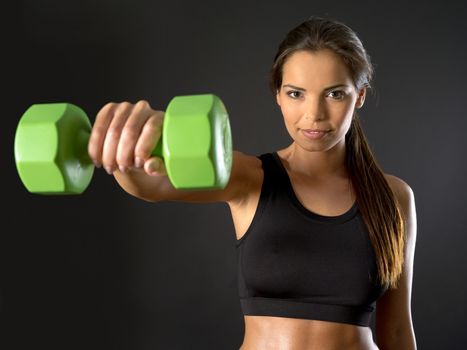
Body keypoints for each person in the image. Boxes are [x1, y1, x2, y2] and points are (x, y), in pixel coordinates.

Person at [87, 16, 417, 350]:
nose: (313, 113)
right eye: (296, 94)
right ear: (278, 95)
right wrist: (129, 151)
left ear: (358, 96)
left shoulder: (393, 196)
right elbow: (151, 186)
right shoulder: (251, 177)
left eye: (334, 94)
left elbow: (398, 332)